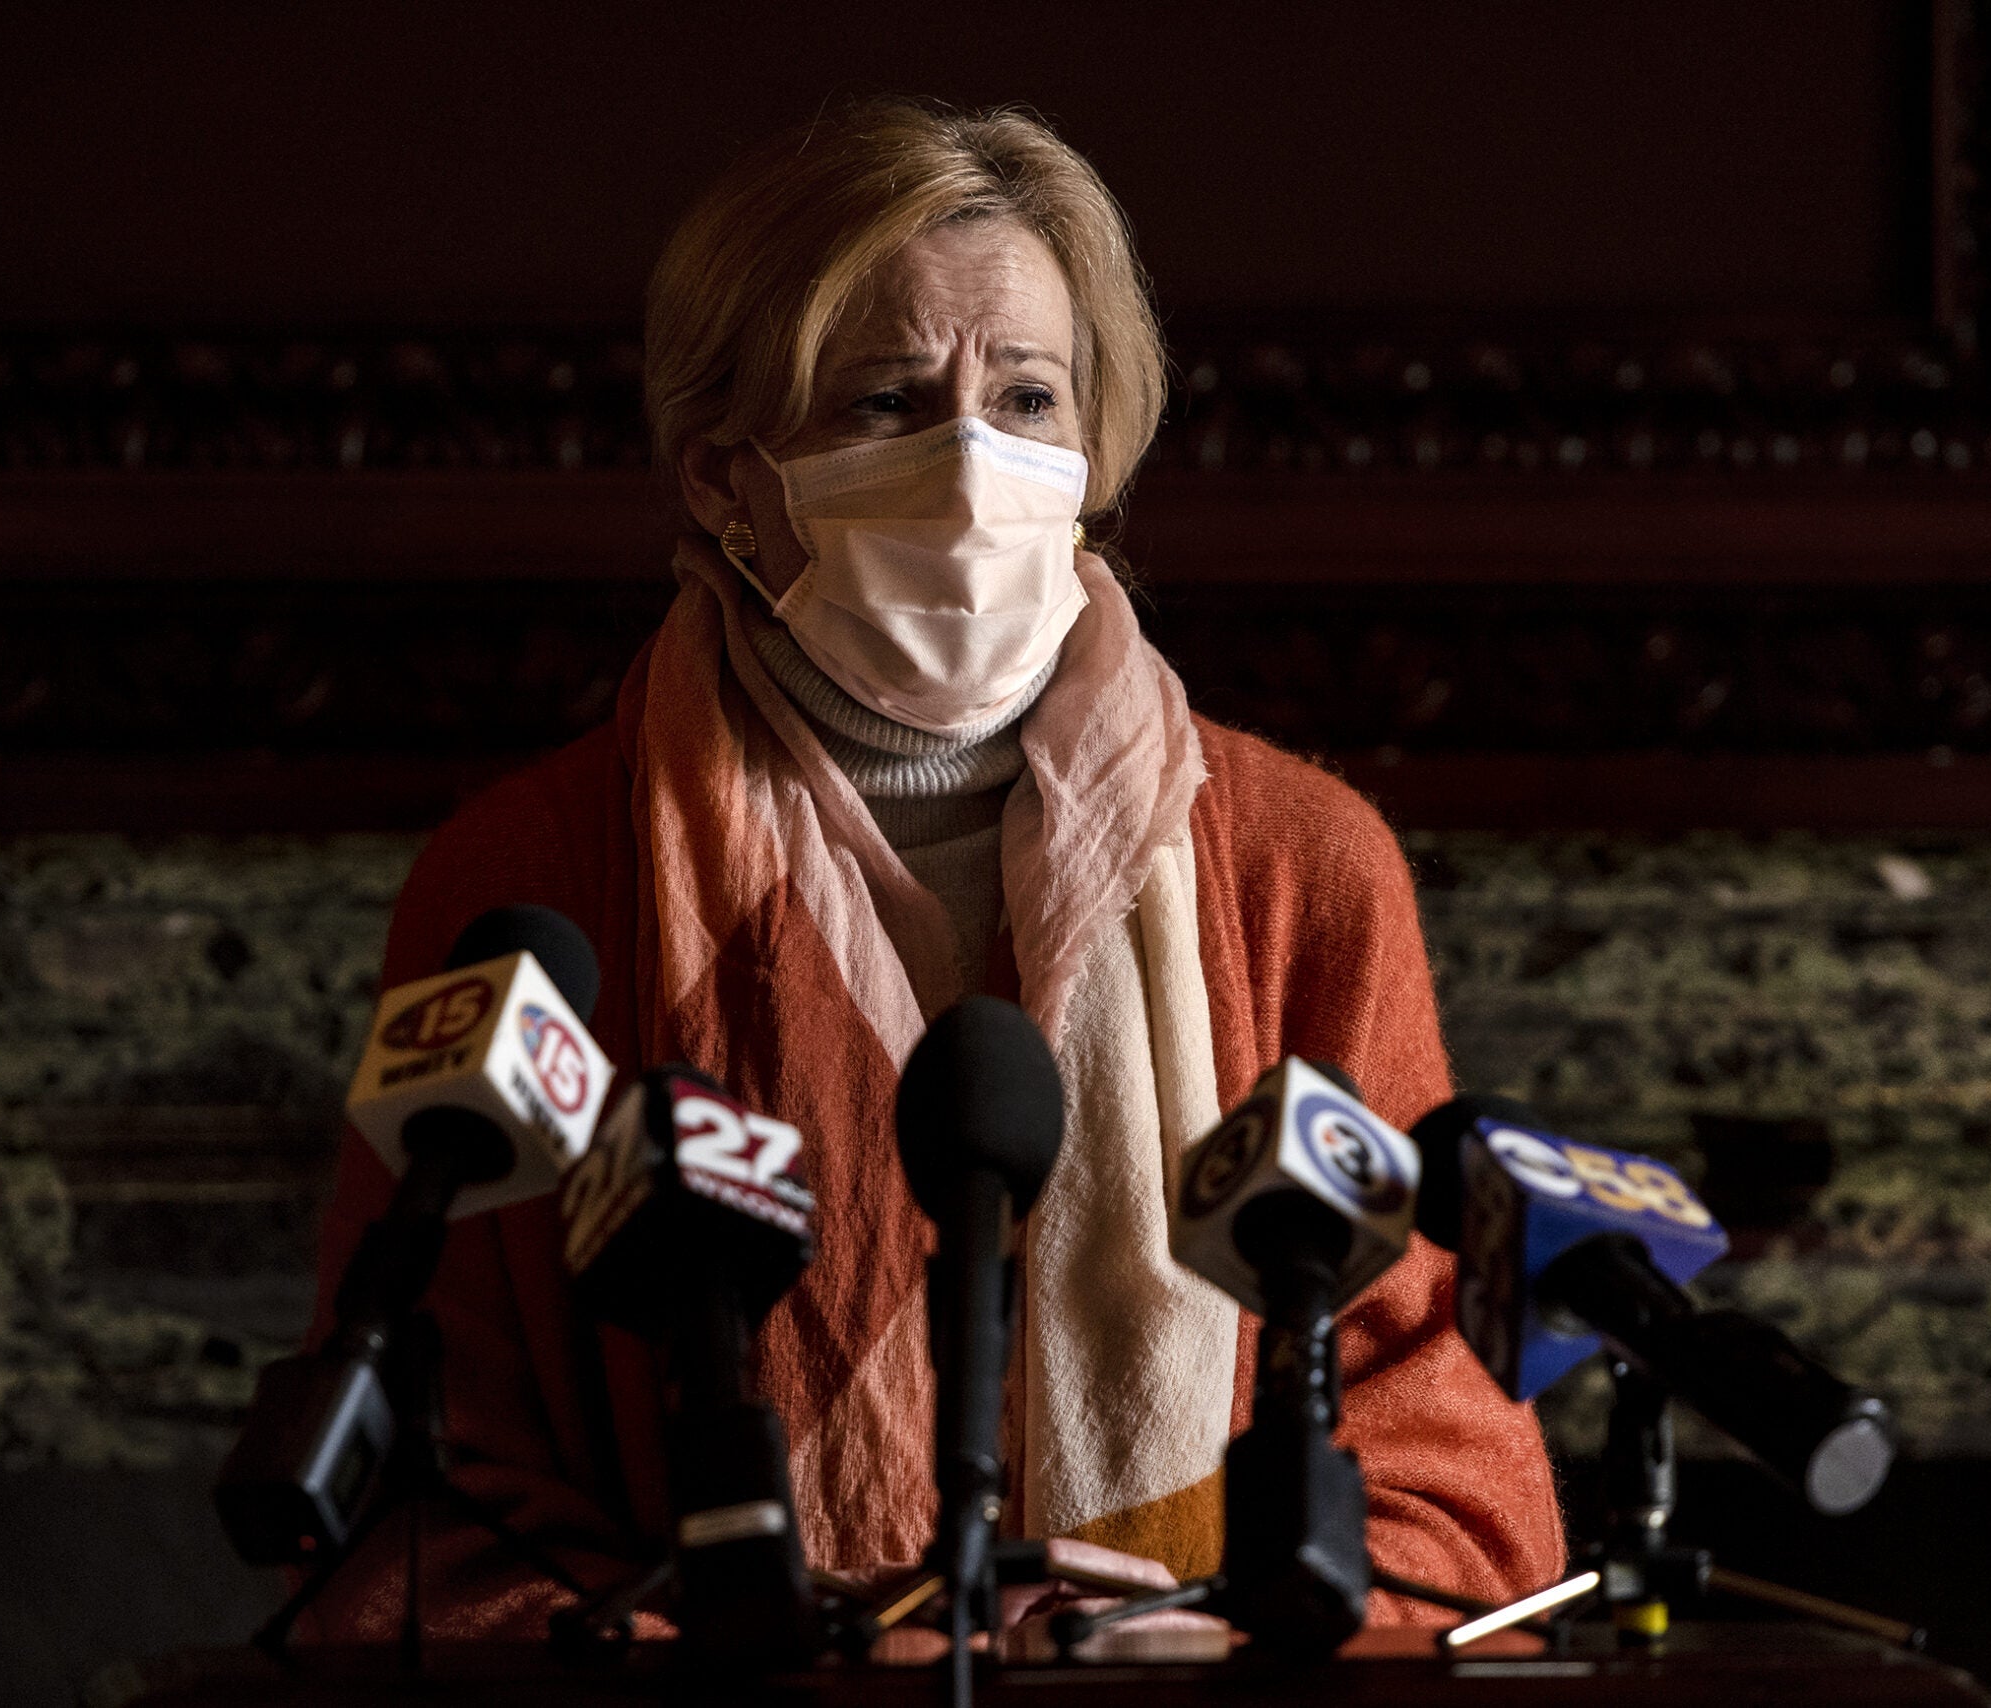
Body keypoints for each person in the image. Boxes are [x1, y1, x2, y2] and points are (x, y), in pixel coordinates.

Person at [305, 98, 1565, 1640]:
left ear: (1097, 449)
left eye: (1029, 398)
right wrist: (750, 1657)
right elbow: (429, 1486)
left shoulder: (1301, 869)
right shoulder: (524, 885)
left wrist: (1223, 1640)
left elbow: (1444, 1466)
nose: (975, 468)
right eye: (890, 403)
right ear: (721, 476)